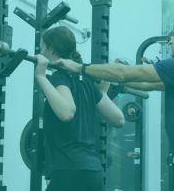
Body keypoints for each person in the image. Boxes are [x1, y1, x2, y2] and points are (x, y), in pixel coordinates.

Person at [53, 13, 174, 191]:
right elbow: (145, 84)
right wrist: (102, 76)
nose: (171, 39)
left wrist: (80, 68)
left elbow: (123, 73)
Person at [35, 26, 125, 191]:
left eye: (42, 49)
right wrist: (102, 93)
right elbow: (119, 119)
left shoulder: (59, 77)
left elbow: (67, 112)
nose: (41, 53)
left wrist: (41, 77)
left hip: (69, 172)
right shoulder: (86, 83)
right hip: (92, 172)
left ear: (51, 50)